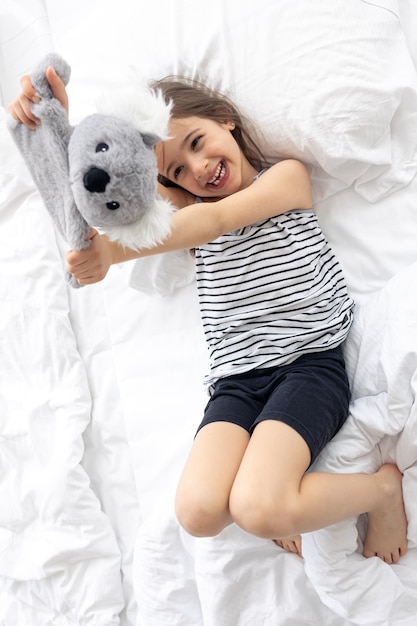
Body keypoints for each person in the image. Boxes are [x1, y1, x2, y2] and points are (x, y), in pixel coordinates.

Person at [9, 69, 408, 562]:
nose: (198, 169)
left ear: (227, 122)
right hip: (236, 384)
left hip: (308, 367)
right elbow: (105, 188)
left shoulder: (284, 179)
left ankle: (382, 493)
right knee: (197, 514)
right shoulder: (185, 215)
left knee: (257, 509)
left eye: (198, 143)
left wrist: (112, 255)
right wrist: (55, 124)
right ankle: (280, 496)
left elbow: (214, 219)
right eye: (178, 171)